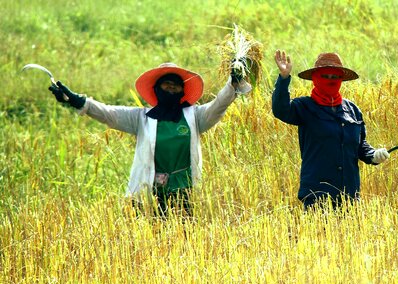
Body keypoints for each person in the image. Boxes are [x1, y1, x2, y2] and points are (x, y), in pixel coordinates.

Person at [49, 62, 251, 217]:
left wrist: (232, 82)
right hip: (148, 193)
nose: (171, 89)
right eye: (167, 84)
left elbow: (218, 106)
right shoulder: (141, 118)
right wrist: (78, 101)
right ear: (156, 89)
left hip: (185, 191)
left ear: (183, 92)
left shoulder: (194, 117)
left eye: (176, 86)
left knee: (184, 241)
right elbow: (108, 114)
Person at [272, 50, 389, 209]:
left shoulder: (352, 110)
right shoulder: (304, 107)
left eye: (335, 77)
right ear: (315, 79)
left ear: (341, 80)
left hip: (349, 197)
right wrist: (284, 78)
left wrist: (373, 155)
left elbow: (360, 145)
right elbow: (281, 110)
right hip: (317, 198)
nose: (330, 80)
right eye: (325, 76)